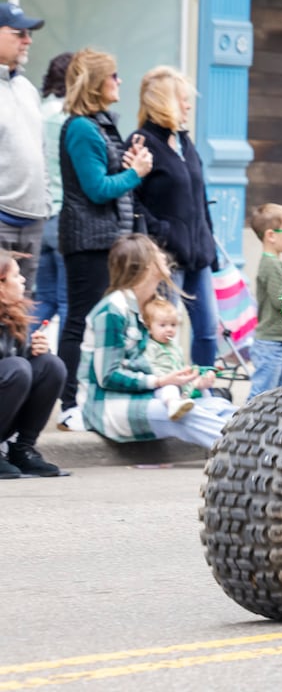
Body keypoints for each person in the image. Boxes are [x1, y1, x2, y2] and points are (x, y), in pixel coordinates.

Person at [56, 49, 154, 430]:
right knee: (82, 322)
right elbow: (96, 189)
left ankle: (92, 400)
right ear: (97, 83)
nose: (120, 81)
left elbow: (107, 176)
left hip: (107, 239)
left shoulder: (100, 124)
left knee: (102, 323)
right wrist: (137, 172)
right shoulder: (81, 127)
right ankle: (69, 404)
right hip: (88, 241)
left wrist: (128, 163)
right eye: (113, 76)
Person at [80, 234, 235, 447]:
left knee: (219, 406)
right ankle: (249, 454)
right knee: (184, 415)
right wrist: (161, 382)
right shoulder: (112, 311)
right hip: (110, 405)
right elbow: (108, 376)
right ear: (146, 265)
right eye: (157, 253)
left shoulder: (156, 306)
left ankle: (276, 448)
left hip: (150, 395)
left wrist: (192, 381)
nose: (164, 256)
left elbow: (159, 365)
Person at [131, 67, 219, 369]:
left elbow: (200, 197)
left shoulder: (185, 142)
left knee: (208, 332)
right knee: (161, 329)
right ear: (164, 101)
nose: (189, 106)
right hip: (166, 258)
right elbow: (133, 199)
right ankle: (162, 390)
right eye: (183, 99)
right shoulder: (141, 143)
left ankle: (203, 390)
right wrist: (162, 233)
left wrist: (211, 246)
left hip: (199, 256)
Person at [0, 249, 65, 478]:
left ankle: (22, 448)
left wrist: (34, 351)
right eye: (16, 276)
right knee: (18, 368)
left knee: (51, 365)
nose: (23, 280)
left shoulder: (12, 315)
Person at [0, 3, 49, 287]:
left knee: (23, 308)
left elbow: (40, 152)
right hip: (2, 220)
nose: (27, 40)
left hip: (33, 220)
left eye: (29, 34)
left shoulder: (28, 90)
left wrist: (43, 205)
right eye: (19, 33)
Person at [32, 52, 72, 332]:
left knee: (44, 300)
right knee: (68, 302)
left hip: (39, 218)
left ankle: (17, 353)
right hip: (64, 218)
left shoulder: (36, 111)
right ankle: (67, 374)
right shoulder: (68, 119)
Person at [248, 203, 282, 397]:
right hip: (271, 345)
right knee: (261, 394)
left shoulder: (278, 265)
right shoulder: (270, 265)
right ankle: (243, 425)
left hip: (281, 342)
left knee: (275, 396)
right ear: (271, 235)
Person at [140, 294, 199, 420]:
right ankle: (173, 406)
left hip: (178, 383)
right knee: (170, 389)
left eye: (173, 325)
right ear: (149, 327)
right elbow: (148, 366)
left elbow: (179, 364)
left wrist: (187, 373)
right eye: (163, 325)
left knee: (200, 389)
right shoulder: (151, 346)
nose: (169, 329)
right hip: (161, 385)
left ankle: (201, 407)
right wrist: (165, 378)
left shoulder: (175, 347)